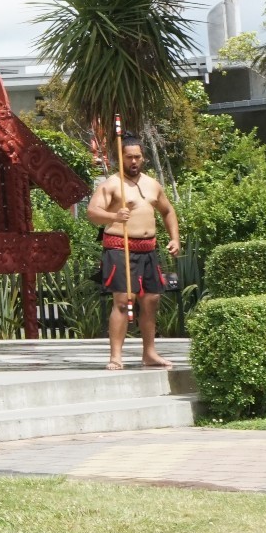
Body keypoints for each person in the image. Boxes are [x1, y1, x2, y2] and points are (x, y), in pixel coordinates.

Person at [83, 133, 179, 370]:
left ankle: (149, 353)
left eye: (137, 157)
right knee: (124, 301)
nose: (134, 161)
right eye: (129, 157)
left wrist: (175, 238)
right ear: (120, 158)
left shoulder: (152, 184)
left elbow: (168, 211)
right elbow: (92, 212)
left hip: (149, 249)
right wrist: (114, 216)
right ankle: (116, 356)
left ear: (143, 157)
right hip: (120, 247)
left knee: (152, 300)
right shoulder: (112, 185)